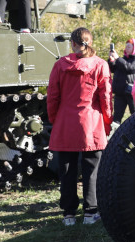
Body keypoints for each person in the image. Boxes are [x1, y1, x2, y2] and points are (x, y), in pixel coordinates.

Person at [47, 27, 112, 226]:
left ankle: (68, 214)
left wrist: (55, 119)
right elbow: (105, 97)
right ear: (90, 42)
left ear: (73, 44)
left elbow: (53, 96)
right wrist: (107, 122)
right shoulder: (100, 65)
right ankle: (91, 212)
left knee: (67, 170)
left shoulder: (60, 65)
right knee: (92, 169)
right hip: (91, 123)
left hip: (65, 122)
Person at [108, 38, 135, 124]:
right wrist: (112, 61)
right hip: (120, 92)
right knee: (116, 117)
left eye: (128, 47)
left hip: (132, 92)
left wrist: (118, 58)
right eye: (126, 47)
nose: (126, 49)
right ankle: (115, 135)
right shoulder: (124, 58)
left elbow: (130, 68)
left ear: (134, 48)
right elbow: (113, 69)